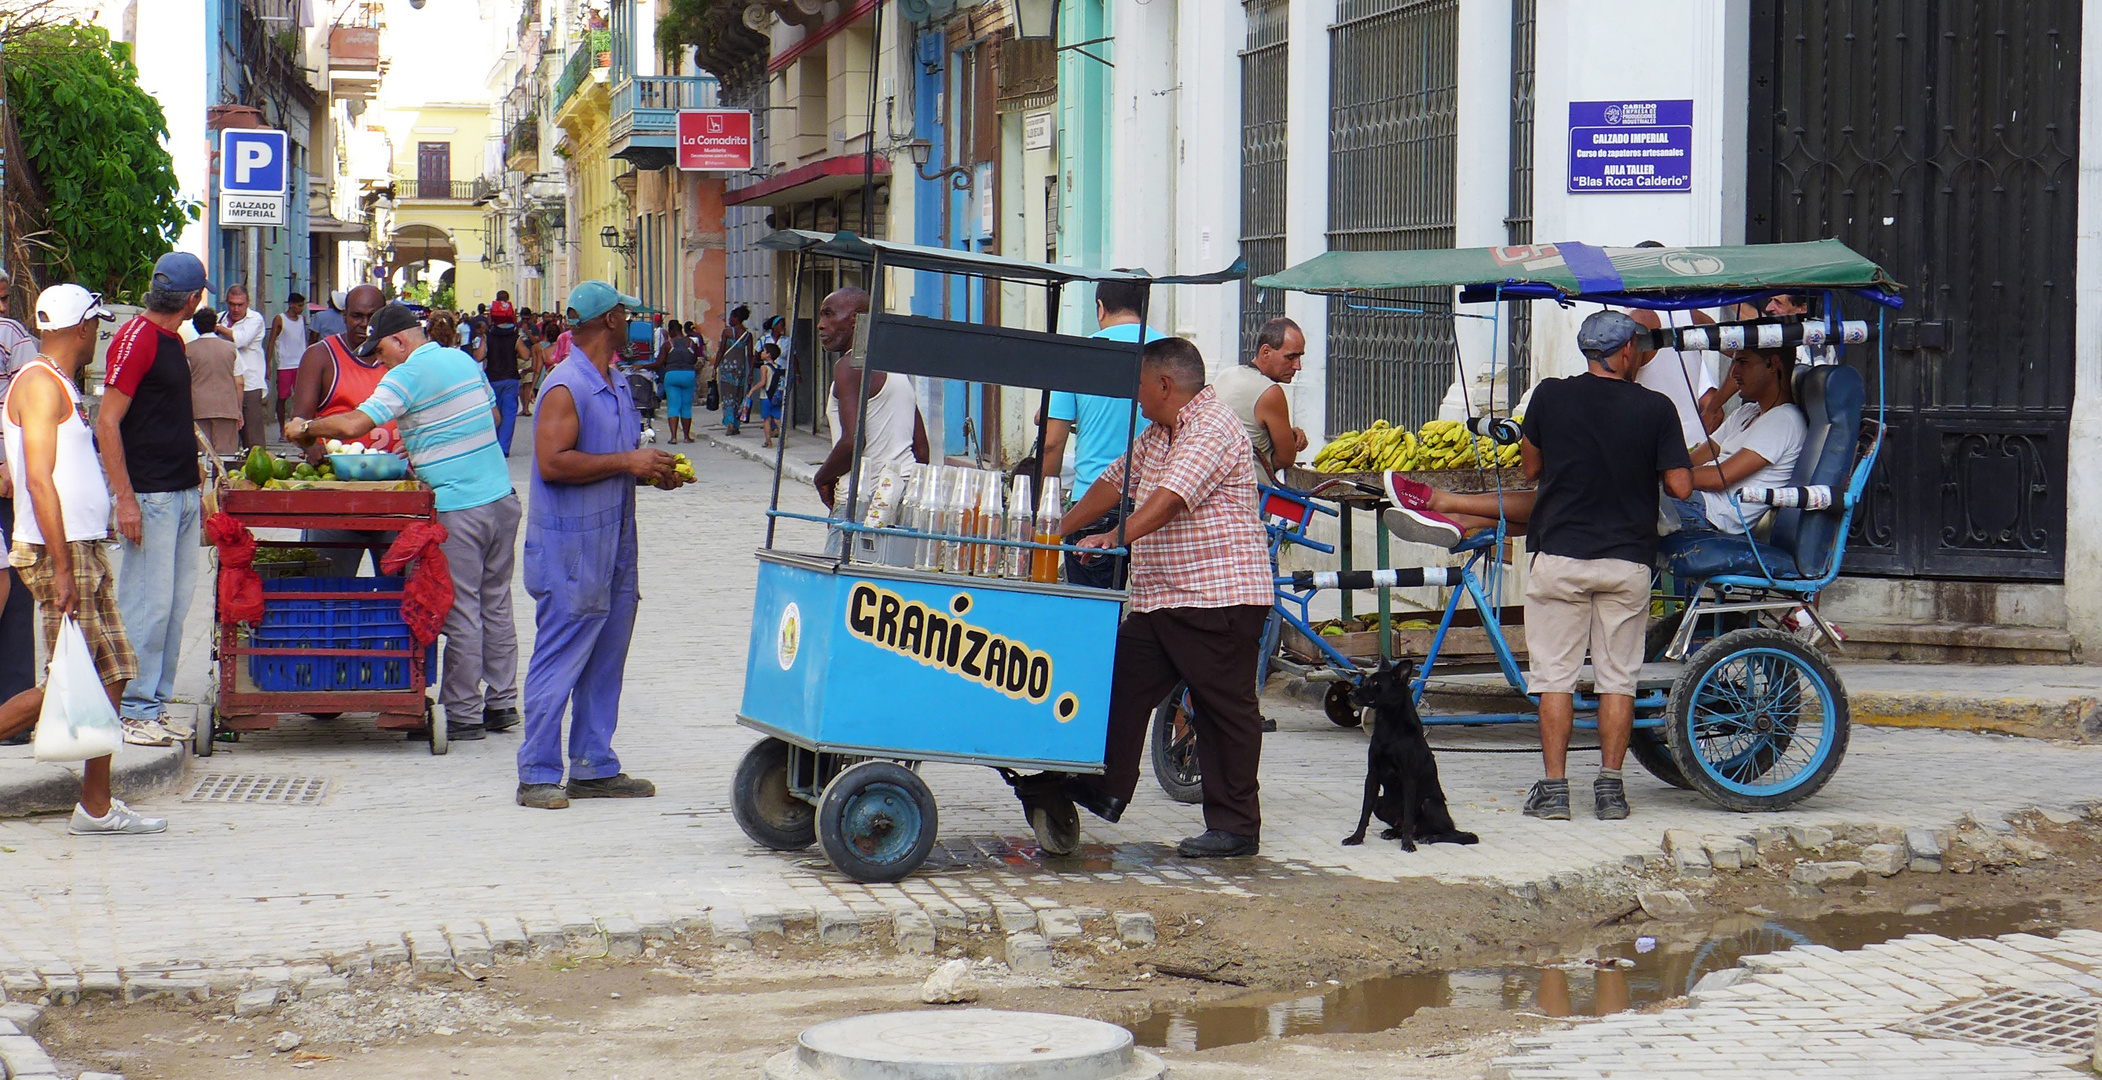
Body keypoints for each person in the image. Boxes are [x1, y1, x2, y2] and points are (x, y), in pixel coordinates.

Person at [1015, 337, 1273, 859]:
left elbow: (1170, 497)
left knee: (1224, 712)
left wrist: (1116, 537)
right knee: (1118, 684)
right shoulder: (1159, 432)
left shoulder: (1212, 427)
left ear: (1163, 384)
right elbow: (1115, 482)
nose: (1133, 396)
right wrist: (1057, 530)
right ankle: (1098, 788)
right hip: (1162, 600)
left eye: (1137, 385)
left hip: (1217, 597)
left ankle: (1237, 826)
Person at [287, 303, 523, 743]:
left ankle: (465, 715)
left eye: (381, 353)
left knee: (461, 609)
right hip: (501, 500)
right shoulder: (462, 359)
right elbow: (491, 418)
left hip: (458, 506)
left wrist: (307, 427)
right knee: (496, 603)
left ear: (399, 340)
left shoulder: (407, 373)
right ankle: (502, 703)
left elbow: (357, 422)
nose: (379, 363)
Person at [0, 283, 168, 831]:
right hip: (60, 549)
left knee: (114, 669)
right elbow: (40, 482)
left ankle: (95, 805)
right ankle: (94, 805)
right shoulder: (41, 387)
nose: (100, 334)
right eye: (97, 324)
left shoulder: (58, 384)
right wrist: (65, 566)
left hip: (81, 545)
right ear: (81, 328)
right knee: (67, 680)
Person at [1514, 311, 1693, 822]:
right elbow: (1680, 487)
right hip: (1627, 562)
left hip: (1561, 557)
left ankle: (1554, 792)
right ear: (1627, 351)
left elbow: (1531, 468)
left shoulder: (1549, 396)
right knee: (1618, 679)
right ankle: (1611, 791)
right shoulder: (1656, 408)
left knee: (1556, 678)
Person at [517, 281, 682, 809]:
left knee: (606, 657)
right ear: (610, 320)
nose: (633, 324)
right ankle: (537, 772)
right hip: (570, 549)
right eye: (626, 316)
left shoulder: (614, 381)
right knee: (560, 656)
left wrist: (649, 471)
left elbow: (616, 458)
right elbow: (552, 462)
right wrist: (626, 464)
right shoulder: (567, 386)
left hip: (613, 545)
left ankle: (593, 766)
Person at [98, 253, 206, 739]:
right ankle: (134, 711)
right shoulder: (137, 338)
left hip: (179, 492)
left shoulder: (169, 339)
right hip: (151, 496)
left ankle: (154, 705)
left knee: (176, 605)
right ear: (194, 298)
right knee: (147, 606)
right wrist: (124, 499)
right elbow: (107, 421)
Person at [1040, 281, 1168, 587]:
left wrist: (1044, 505)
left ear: (1100, 308)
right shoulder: (1170, 353)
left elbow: (1052, 443)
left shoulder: (1078, 356)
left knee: (1091, 614)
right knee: (1153, 614)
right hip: (1156, 506)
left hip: (1091, 504)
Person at [290, 284, 396, 576]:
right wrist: (313, 449)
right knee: (327, 588)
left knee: (401, 595)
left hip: (396, 494)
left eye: (371, 316)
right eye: (356, 316)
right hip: (336, 496)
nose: (363, 325)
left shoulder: (402, 358)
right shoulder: (321, 356)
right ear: (344, 316)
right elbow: (299, 420)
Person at [810, 287, 929, 511]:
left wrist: (821, 478)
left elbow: (853, 442)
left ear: (855, 320)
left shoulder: (848, 367)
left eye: (829, 314)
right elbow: (921, 452)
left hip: (861, 498)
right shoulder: (895, 368)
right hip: (903, 494)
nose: (821, 324)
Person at [1668, 346, 1806, 537]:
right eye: (1734, 362)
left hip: (1711, 514)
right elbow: (1694, 460)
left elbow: (1719, 478)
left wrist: (1669, 478)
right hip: (1695, 500)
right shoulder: (1746, 412)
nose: (1734, 372)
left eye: (1742, 362)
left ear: (1772, 364)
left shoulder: (1785, 420)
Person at [1213, 316, 1308, 478]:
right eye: (1290, 357)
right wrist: (1288, 443)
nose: (1297, 366)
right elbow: (1285, 458)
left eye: (1300, 357)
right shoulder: (1270, 392)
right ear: (1266, 352)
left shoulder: (1226, 375)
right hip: (1248, 491)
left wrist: (1286, 434)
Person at [216, 283, 269, 449]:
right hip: (225, 384)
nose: (236, 309)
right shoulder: (220, 318)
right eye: (232, 304)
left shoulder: (255, 319)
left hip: (249, 385)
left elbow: (241, 340)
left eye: (240, 304)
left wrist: (218, 328)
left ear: (247, 303)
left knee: (253, 440)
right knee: (225, 439)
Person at [185, 308, 244, 456]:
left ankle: (204, 479)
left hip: (198, 408)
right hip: (226, 407)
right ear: (214, 324)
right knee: (226, 456)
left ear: (196, 327)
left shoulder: (188, 350)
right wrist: (238, 410)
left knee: (201, 455)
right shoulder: (231, 349)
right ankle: (222, 479)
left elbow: (184, 381)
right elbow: (239, 382)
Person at [483, 290, 523, 455]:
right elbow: (526, 355)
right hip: (511, 378)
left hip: (493, 378)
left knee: (494, 413)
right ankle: (504, 448)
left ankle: (493, 445)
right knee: (509, 415)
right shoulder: (515, 337)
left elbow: (479, 356)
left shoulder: (489, 336)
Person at [651, 320, 699, 444]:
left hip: (672, 375)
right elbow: (694, 360)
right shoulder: (691, 343)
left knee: (673, 406)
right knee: (686, 406)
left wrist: (642, 367)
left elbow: (658, 363)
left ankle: (673, 437)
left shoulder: (668, 344)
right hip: (688, 374)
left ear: (672, 331)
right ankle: (687, 437)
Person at [266, 291, 308, 430]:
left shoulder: (302, 319)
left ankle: (296, 426)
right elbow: (271, 341)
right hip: (284, 364)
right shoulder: (280, 319)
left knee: (300, 397)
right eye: (299, 305)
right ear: (291, 305)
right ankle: (281, 428)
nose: (301, 309)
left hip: (300, 364)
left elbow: (304, 340)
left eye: (302, 306)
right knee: (283, 397)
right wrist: (268, 363)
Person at [715, 305, 755, 436]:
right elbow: (750, 355)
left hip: (726, 369)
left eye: (732, 316)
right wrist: (750, 373)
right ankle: (736, 424)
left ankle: (730, 424)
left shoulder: (727, 332)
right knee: (738, 396)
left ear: (737, 318)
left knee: (727, 397)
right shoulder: (747, 335)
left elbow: (721, 351)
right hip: (740, 370)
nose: (730, 319)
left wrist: (715, 366)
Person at [753, 340, 785, 448]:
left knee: (766, 419)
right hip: (776, 396)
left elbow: (763, 382)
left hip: (766, 396)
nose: (761, 352)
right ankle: (784, 438)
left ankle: (768, 441)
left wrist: (752, 390)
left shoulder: (764, 367)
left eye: (764, 351)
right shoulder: (778, 367)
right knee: (777, 418)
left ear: (768, 355)